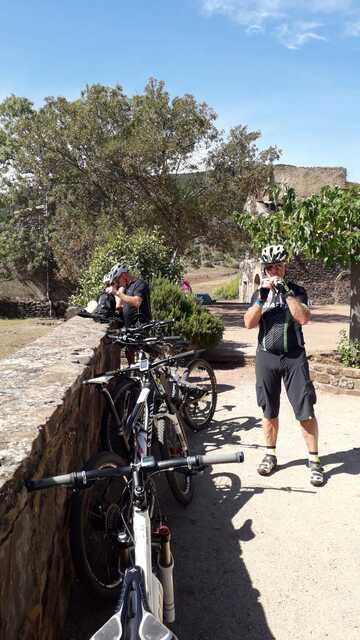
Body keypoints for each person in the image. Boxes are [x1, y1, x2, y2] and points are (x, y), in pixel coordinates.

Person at [244, 244, 324, 487]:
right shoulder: (260, 293)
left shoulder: (297, 290)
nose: (274, 271)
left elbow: (303, 318)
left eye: (278, 266)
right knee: (268, 409)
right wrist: (261, 298)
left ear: (285, 267)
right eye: (269, 267)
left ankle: (314, 461)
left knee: (305, 408)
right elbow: (248, 323)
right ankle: (270, 455)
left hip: (293, 356)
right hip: (267, 356)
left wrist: (286, 293)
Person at [105, 263, 151, 328]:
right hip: (129, 328)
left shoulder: (139, 284)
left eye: (117, 279)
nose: (118, 283)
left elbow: (137, 302)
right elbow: (123, 306)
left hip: (141, 327)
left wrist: (116, 292)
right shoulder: (127, 288)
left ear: (124, 275)